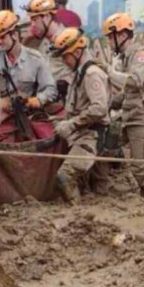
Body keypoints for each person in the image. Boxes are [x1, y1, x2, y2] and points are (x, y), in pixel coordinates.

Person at [102, 12, 144, 195]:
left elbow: (135, 81)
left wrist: (109, 72)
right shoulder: (126, 57)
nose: (108, 42)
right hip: (129, 116)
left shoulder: (140, 55)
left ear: (122, 35)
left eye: (110, 37)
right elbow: (128, 93)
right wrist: (109, 103)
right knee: (107, 147)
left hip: (142, 118)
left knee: (141, 167)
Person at [49, 27, 110, 203]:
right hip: (84, 134)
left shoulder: (91, 74)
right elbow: (80, 106)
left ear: (77, 52)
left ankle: (77, 211)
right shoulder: (80, 73)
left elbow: (99, 108)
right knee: (98, 187)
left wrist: (72, 124)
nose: (64, 61)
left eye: (65, 56)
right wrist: (63, 120)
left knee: (64, 177)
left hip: (92, 136)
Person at [0, 9, 59, 141]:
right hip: (0, 120)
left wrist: (37, 100)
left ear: (14, 35)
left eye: (3, 37)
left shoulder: (35, 59)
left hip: (28, 118)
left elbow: (51, 89)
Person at [23, 0, 76, 100]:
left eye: (35, 20)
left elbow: (83, 74)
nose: (32, 24)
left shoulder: (68, 40)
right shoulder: (44, 43)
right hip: (46, 101)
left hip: (66, 102)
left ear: (47, 17)